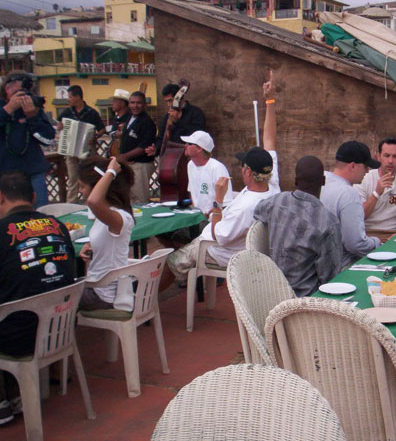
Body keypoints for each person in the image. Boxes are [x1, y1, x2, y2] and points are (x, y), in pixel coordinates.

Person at [161, 72, 279, 289]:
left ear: (248, 173)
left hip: (222, 253)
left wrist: (217, 201)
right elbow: (270, 140)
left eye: (242, 165)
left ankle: (143, 302)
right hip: (245, 248)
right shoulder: (272, 184)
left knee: (170, 262)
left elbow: (220, 236)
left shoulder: (244, 206)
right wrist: (270, 101)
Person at [0, 171, 76, 426]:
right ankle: (19, 395)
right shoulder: (59, 226)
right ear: (32, 197)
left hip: (17, 339)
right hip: (60, 330)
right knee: (13, 306)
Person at [254, 155, 342, 296]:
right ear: (323, 181)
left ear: (295, 181)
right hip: (306, 301)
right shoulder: (328, 222)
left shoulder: (274, 202)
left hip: (272, 294)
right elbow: (330, 278)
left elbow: (257, 212)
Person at [0, 72, 56, 207]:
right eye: (20, 91)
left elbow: (48, 139)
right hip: (4, 174)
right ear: (7, 89)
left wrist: (32, 117)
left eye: (27, 91)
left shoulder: (33, 108)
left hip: (32, 173)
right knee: (8, 221)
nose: (24, 95)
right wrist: (8, 110)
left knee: (40, 216)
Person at [77, 156, 135, 310]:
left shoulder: (119, 217)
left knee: (51, 295)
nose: (80, 191)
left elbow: (93, 201)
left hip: (104, 295)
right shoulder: (108, 215)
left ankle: (63, 333)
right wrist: (90, 246)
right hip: (98, 288)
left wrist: (110, 172)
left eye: (82, 186)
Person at [320, 141, 381, 269]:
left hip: (316, 264)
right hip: (339, 267)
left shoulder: (320, 179)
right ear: (353, 166)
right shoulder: (349, 194)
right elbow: (355, 244)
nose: (367, 171)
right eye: (365, 167)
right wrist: (378, 242)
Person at [356, 137, 396, 240]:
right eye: (386, 156)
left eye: (395, 156)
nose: (390, 161)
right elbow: (358, 216)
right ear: (378, 156)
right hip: (366, 234)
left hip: (394, 235)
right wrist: (376, 193)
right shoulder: (364, 179)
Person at [57, 85, 106, 203]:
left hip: (87, 150)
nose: (68, 99)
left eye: (70, 97)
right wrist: (60, 127)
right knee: (72, 178)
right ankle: (71, 204)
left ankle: (89, 203)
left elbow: (102, 129)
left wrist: (94, 137)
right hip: (70, 150)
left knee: (87, 177)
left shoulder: (91, 113)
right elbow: (59, 125)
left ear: (78, 97)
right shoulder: (67, 112)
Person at [116, 91, 157, 204]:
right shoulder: (130, 118)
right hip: (128, 165)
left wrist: (124, 156)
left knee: (140, 199)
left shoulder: (147, 123)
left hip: (140, 165)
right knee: (129, 199)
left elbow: (144, 146)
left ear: (145, 105)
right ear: (128, 104)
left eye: (139, 103)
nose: (135, 106)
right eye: (132, 103)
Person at [181, 130, 234, 216]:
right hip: (197, 217)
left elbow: (226, 204)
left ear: (199, 148)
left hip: (214, 219)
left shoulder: (217, 168)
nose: (185, 145)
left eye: (189, 143)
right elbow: (192, 193)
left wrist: (209, 215)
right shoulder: (190, 165)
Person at [146, 83, 206, 157]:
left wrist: (178, 121)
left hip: (190, 157)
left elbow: (198, 135)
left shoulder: (195, 112)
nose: (168, 105)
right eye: (166, 101)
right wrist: (156, 149)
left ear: (179, 97)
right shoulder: (168, 116)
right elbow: (161, 137)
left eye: (170, 101)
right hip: (171, 157)